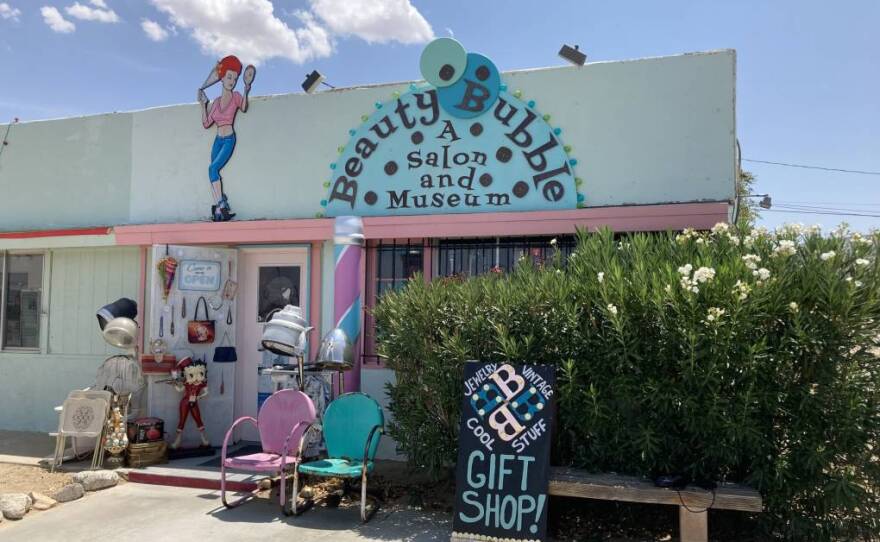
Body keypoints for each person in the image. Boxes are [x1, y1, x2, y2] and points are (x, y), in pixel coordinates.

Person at [198, 55, 256, 222]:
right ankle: (220, 208)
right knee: (213, 172)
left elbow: (244, 107)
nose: (232, 81)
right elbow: (206, 122)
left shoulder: (236, 96)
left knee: (212, 169)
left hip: (229, 139)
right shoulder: (215, 103)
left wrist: (246, 88)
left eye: (235, 78)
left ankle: (221, 206)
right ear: (222, 77)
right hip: (217, 140)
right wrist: (203, 105)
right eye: (229, 77)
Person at [171, 357, 210, 449]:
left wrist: (199, 397)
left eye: (200, 374)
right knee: (182, 421)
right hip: (185, 402)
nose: (196, 378)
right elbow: (180, 390)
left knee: (198, 420)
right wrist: (175, 385)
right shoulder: (187, 383)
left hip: (194, 402)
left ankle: (204, 440)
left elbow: (206, 392)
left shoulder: (202, 384)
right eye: (192, 375)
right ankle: (177, 442)